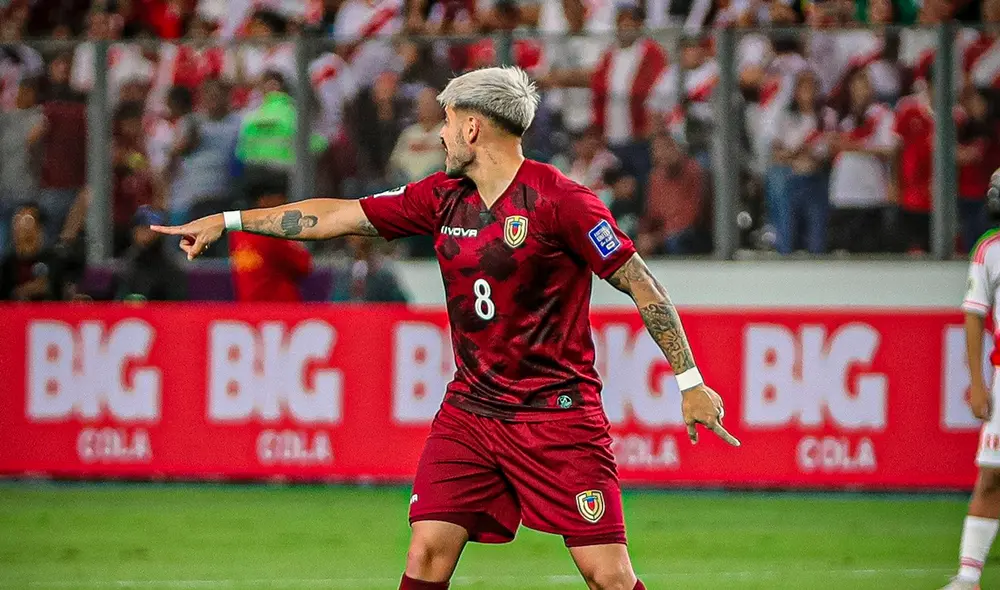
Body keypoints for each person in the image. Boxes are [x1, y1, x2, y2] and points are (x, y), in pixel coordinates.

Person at [152, 66, 738, 590]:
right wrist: (229, 221)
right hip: (471, 412)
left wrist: (690, 382)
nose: (440, 134)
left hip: (555, 415)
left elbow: (640, 282)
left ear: (475, 129)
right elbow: (335, 216)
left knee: (607, 575)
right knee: (428, 551)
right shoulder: (440, 197)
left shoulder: (562, 201)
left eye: (449, 122)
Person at [942, 169, 1000, 590]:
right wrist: (978, 382)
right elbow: (974, 314)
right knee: (991, 475)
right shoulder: (989, 250)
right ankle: (968, 577)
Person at [227, 175, 313, 302]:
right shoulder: (272, 232)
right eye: (280, 200)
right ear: (264, 200)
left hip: (249, 311)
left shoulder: (237, 233)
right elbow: (304, 264)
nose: (285, 206)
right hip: (280, 310)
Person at [116, 206, 186, 302]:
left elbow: (176, 309)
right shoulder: (126, 264)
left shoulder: (171, 270)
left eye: (148, 229)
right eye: (139, 228)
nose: (143, 233)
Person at [0, 202, 63, 301]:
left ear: (39, 229)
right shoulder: (7, 264)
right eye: (17, 220)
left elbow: (55, 290)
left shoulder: (52, 260)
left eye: (27, 220)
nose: (20, 226)